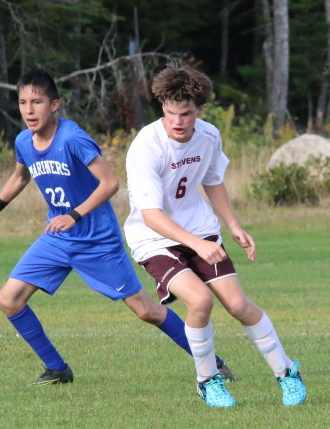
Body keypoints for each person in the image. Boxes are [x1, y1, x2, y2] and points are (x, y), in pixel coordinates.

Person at [0, 69, 233, 386]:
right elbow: (19, 177)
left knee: (146, 311)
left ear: (54, 105)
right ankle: (57, 369)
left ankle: (213, 363)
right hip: (57, 238)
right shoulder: (24, 141)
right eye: (23, 102)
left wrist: (75, 215)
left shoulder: (72, 138)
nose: (29, 110)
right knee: (8, 299)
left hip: (97, 240)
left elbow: (110, 183)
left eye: (37, 102)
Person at [123, 66, 305, 408]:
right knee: (200, 301)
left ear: (200, 110)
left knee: (238, 304)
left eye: (186, 113)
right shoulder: (146, 146)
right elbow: (151, 215)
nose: (178, 121)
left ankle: (286, 372)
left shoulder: (208, 136)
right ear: (162, 106)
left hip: (201, 231)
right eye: (171, 112)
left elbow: (211, 179)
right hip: (153, 238)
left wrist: (233, 225)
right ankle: (208, 381)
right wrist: (198, 244)